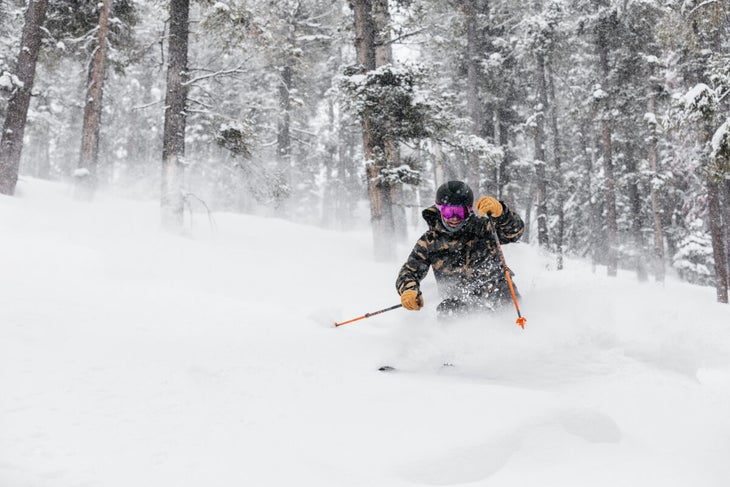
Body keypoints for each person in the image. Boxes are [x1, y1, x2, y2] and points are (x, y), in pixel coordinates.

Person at [396, 180, 525, 319]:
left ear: (468, 211)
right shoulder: (430, 241)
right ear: (439, 210)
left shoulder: (483, 228)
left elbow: (514, 233)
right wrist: (408, 290)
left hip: (498, 294)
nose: (454, 218)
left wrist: (502, 213)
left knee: (507, 312)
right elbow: (409, 272)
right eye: (448, 212)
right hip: (459, 304)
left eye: (460, 212)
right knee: (448, 311)